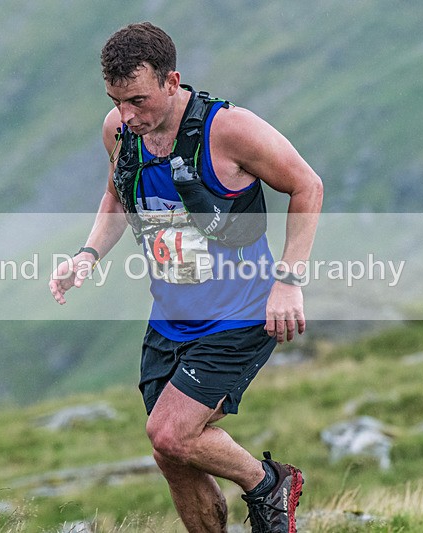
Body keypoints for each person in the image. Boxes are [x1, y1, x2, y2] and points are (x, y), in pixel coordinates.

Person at [49, 22, 323, 533]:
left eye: (138, 99)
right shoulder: (119, 130)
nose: (126, 115)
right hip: (171, 318)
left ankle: (269, 484)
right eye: (115, 100)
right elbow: (116, 195)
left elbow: (308, 185)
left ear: (172, 82)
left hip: (240, 313)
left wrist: (289, 280)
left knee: (171, 434)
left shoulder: (229, 129)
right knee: (171, 453)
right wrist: (87, 255)